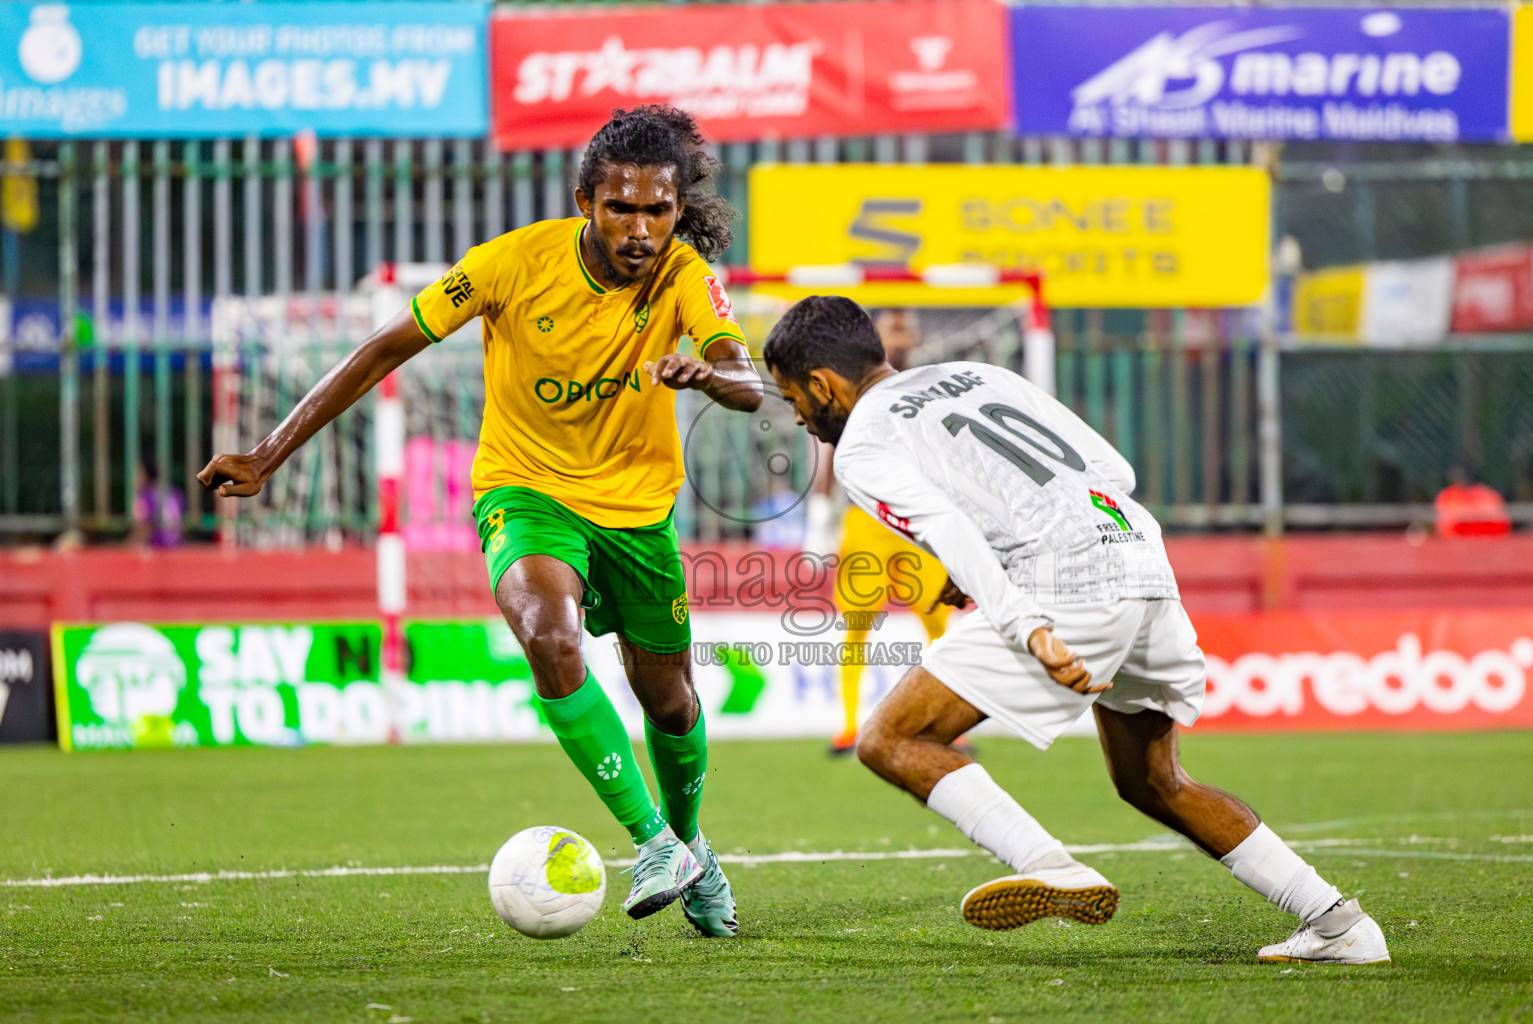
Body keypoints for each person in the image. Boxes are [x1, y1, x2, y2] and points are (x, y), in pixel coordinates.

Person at [199, 106, 762, 937]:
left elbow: (743, 376)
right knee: (548, 631)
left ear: (678, 211)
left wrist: (712, 377)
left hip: (638, 511)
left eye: (658, 210)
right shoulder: (509, 264)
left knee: (671, 702)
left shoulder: (682, 276)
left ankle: (690, 846)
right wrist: (267, 453)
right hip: (525, 490)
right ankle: (651, 841)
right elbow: (385, 348)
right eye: (621, 208)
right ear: (585, 202)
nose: (640, 229)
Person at [762, 296, 1388, 964]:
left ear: (824, 384)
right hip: (1140, 554)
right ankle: (1337, 923)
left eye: (792, 397)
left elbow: (947, 528)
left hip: (1064, 581)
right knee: (1153, 782)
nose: (797, 415)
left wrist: (1029, 625)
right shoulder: (982, 377)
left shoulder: (861, 444)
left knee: (891, 737)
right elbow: (1117, 472)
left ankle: (1049, 864)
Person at [803, 310, 952, 755]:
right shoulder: (852, 385)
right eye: (894, 326)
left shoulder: (931, 384)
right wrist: (819, 517)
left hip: (917, 519)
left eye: (908, 326)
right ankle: (848, 725)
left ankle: (948, 724)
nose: (903, 335)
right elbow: (830, 449)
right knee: (856, 627)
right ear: (876, 335)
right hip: (866, 517)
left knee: (940, 623)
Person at [1434, 463, 1511, 537]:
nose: (1460, 479)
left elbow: (1501, 524)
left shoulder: (1487, 495)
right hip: (1458, 540)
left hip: (1487, 539)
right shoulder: (1448, 496)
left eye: (1462, 475)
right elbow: (1444, 526)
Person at [130, 457, 185, 549]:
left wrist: (127, 548)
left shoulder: (145, 496)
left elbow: (144, 529)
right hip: (176, 546)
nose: (134, 478)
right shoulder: (174, 492)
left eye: (138, 473)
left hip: (158, 547)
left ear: (145, 475)